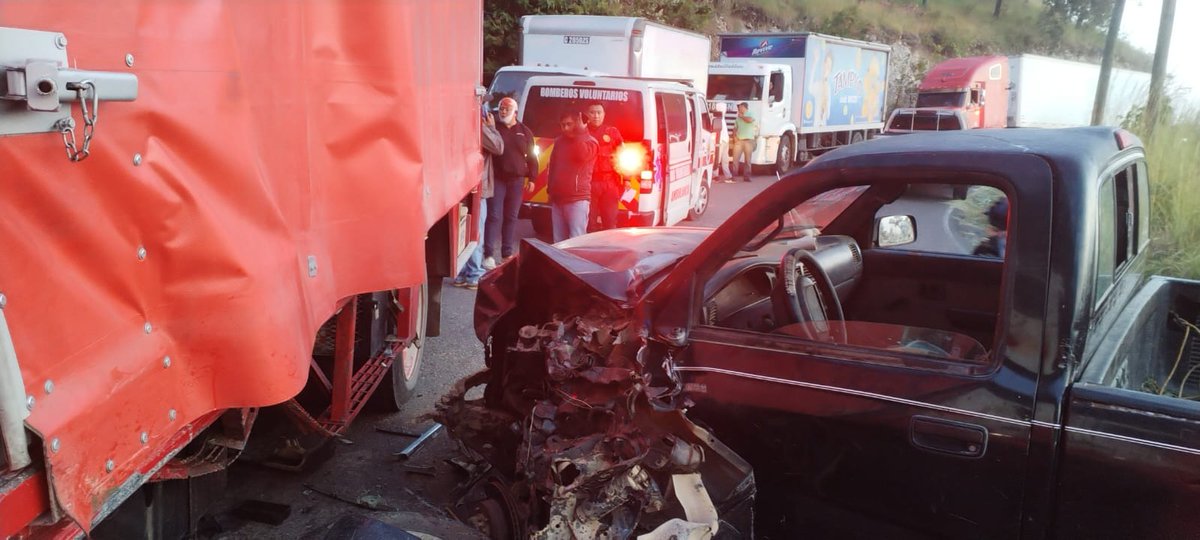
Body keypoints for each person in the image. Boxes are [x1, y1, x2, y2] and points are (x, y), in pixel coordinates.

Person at [483, 97, 538, 269]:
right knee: (494, 216)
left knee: (511, 217)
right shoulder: (494, 128)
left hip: (517, 180)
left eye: (507, 109)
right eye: (501, 109)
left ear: (515, 111)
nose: (503, 112)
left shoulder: (524, 131)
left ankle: (507, 252)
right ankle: (488, 254)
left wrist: (533, 178)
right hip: (498, 178)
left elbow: (532, 157)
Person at [452, 107, 504, 288]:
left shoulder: (461, 124)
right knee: (476, 232)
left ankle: (463, 273)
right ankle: (474, 273)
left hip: (463, 184)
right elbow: (498, 147)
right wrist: (492, 128)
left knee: (464, 230)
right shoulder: (479, 127)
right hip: (477, 186)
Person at [546, 110, 597, 242]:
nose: (565, 128)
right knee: (559, 242)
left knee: (576, 241)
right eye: (563, 125)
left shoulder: (591, 142)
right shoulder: (559, 142)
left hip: (577, 200)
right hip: (558, 200)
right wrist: (550, 191)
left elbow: (582, 156)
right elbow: (553, 167)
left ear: (578, 123)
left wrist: (580, 134)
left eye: (569, 124)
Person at [585, 102, 624, 232]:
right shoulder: (581, 132)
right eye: (592, 112)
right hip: (588, 184)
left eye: (599, 112)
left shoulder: (612, 132)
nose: (596, 116)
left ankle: (609, 249)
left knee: (610, 221)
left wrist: (628, 179)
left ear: (604, 115)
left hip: (609, 183)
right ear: (587, 115)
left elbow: (622, 156)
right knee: (589, 222)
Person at [732, 102, 758, 183]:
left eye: (740, 107)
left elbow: (750, 120)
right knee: (735, 159)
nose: (739, 109)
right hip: (739, 140)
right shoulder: (738, 117)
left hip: (749, 141)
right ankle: (734, 176)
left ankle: (746, 176)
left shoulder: (751, 114)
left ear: (744, 107)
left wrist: (742, 116)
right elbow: (735, 128)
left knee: (747, 160)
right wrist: (734, 136)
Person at [712, 102, 732, 183]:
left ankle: (728, 176)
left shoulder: (722, 118)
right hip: (719, 142)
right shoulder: (716, 118)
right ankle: (715, 176)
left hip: (725, 142)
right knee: (717, 160)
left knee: (725, 160)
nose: (725, 110)